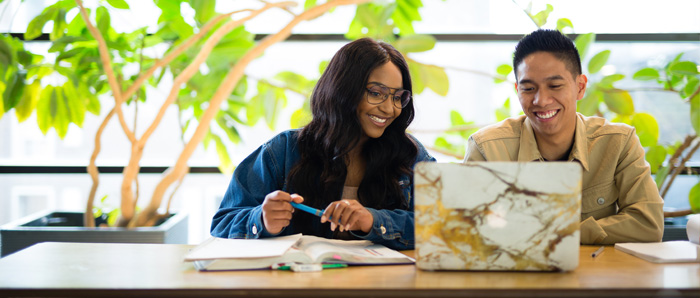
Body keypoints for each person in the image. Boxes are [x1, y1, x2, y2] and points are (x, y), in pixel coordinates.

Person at [211, 38, 435, 250]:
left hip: (384, 286)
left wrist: (372, 221)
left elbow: (445, 225)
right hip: (299, 284)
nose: (389, 109)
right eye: (377, 93)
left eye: (398, 97)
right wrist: (260, 219)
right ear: (343, 90)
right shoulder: (283, 150)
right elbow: (221, 224)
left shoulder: (410, 154)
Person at [463, 29, 664, 245]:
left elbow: (648, 224)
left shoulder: (618, 142)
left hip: (595, 274)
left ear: (580, 87)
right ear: (517, 90)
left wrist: (562, 235)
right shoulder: (486, 148)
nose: (541, 100)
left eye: (555, 86)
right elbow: (463, 231)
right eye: (529, 88)